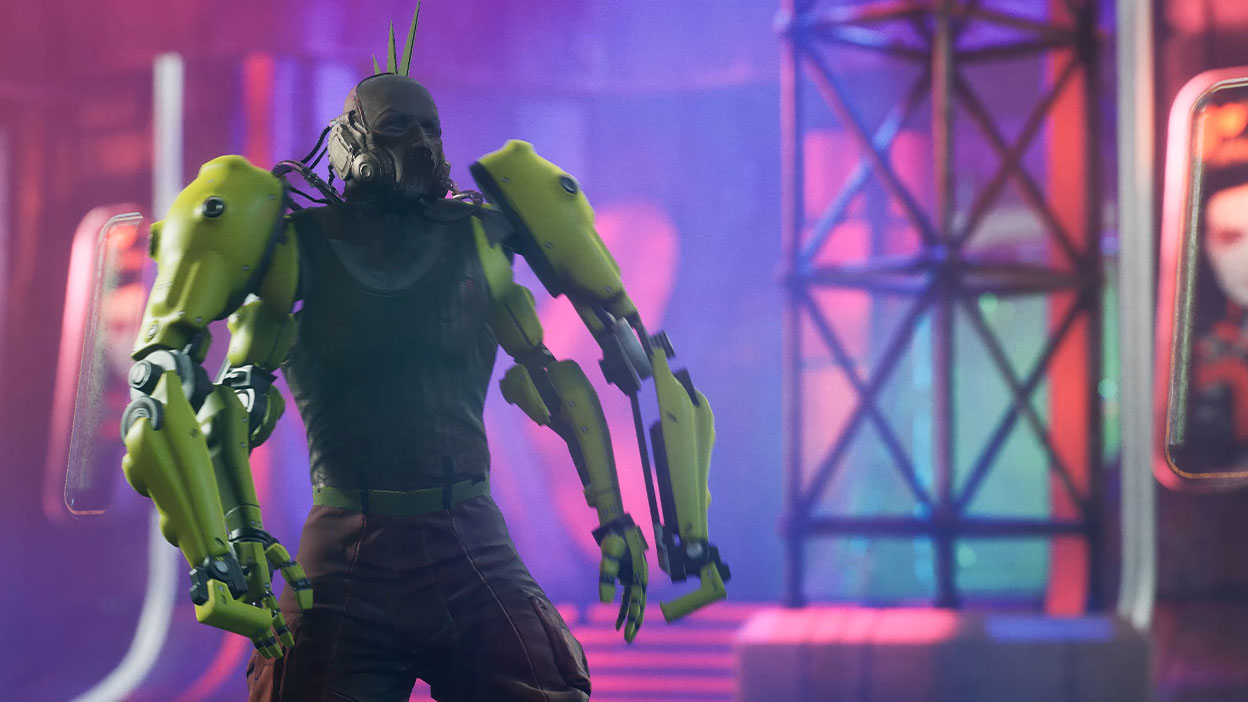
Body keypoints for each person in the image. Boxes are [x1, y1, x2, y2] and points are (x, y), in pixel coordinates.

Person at [116, 9, 725, 702]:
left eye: (429, 129)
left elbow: (571, 377)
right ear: (352, 140)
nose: (420, 145)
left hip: (468, 538)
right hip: (345, 547)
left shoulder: (480, 241)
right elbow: (187, 393)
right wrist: (226, 547)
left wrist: (616, 518)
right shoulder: (294, 250)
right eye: (398, 128)